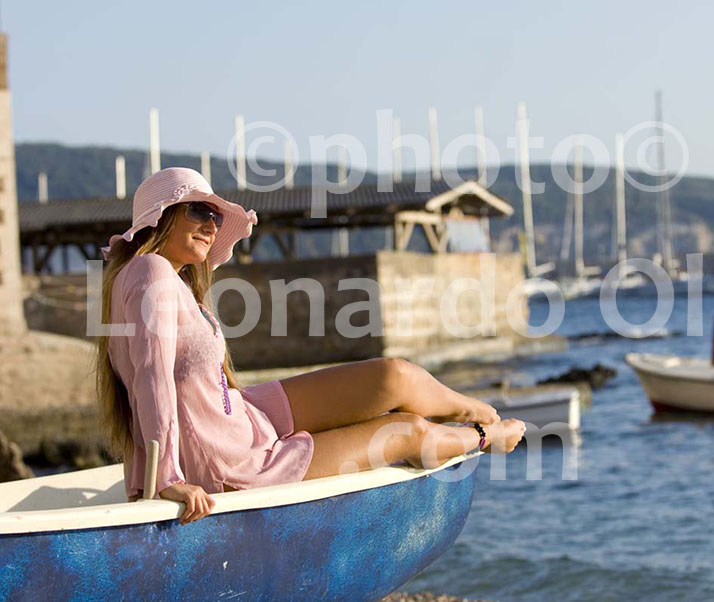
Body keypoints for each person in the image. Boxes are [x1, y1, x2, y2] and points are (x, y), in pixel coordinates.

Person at [95, 167, 526, 526]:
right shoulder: (150, 271)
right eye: (199, 210)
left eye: (216, 215)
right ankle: (485, 435)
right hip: (227, 461)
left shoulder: (169, 282)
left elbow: (200, 386)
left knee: (393, 375)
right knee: (406, 431)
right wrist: (167, 478)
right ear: (161, 216)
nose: (211, 224)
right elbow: (152, 378)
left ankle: (471, 409)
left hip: (244, 417)